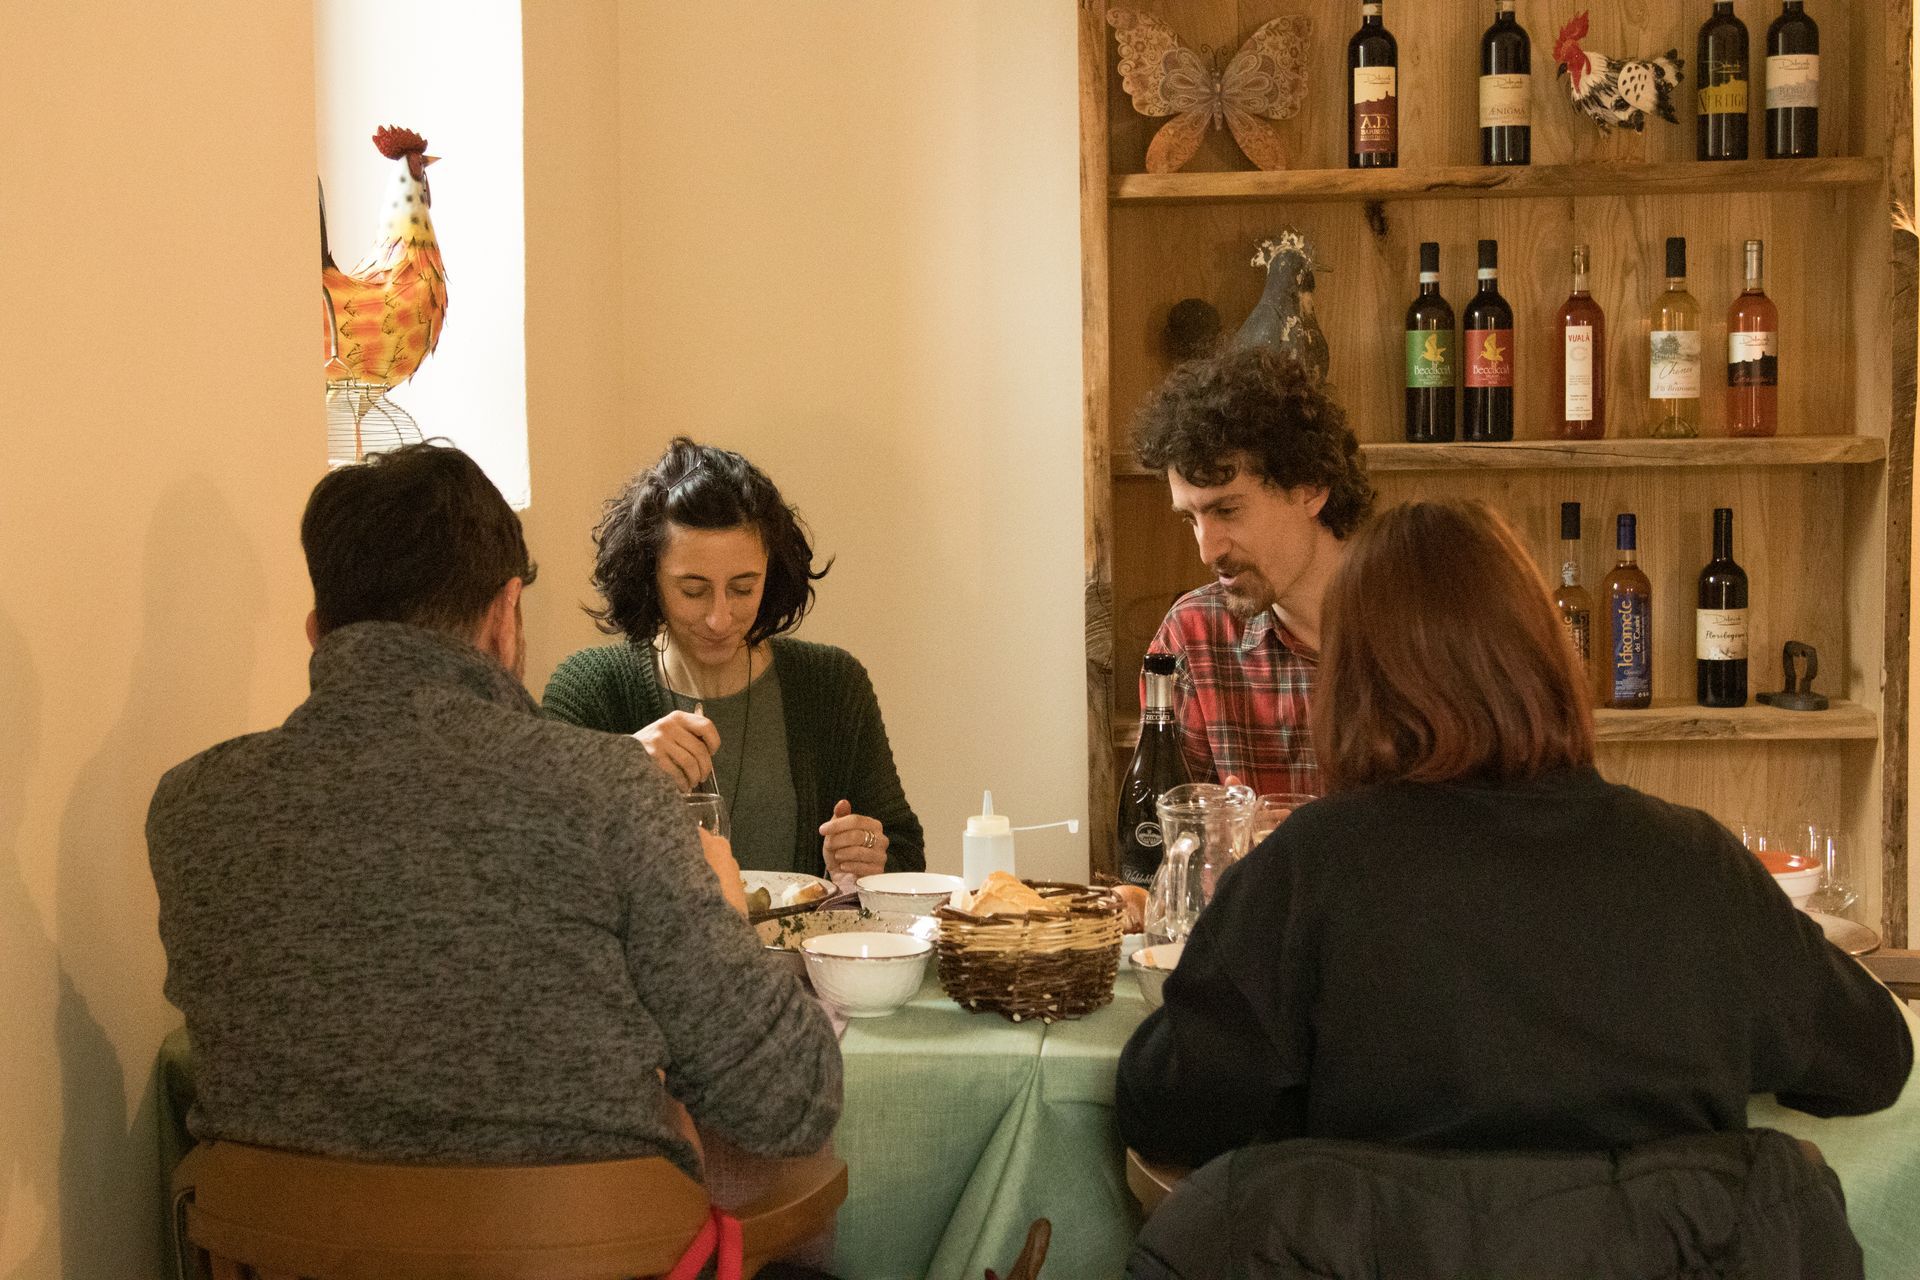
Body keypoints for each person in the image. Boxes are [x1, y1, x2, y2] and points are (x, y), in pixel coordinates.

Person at [1117, 499, 1911, 1173]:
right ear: (1546, 659)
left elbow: (1165, 1111)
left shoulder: (1312, 869)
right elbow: (1873, 1063)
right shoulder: (1694, 861)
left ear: (1353, 682)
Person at [148, 443, 840, 1176]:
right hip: (581, 1257)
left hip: (281, 1256)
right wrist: (727, 913)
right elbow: (788, 1102)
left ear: (317, 633)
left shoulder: (189, 809)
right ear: (505, 618)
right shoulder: (609, 792)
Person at [543, 438, 923, 883]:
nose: (719, 618)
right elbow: (540, 867)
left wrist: (870, 856)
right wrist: (620, 772)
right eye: (693, 590)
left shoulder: (834, 685)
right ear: (648, 577)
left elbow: (905, 855)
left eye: (743, 588)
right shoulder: (590, 690)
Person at [1132, 346, 1375, 797]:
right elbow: (1171, 842)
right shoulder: (1193, 637)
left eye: (1227, 510)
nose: (1207, 550)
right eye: (1191, 519)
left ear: (1310, 488)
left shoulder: (1430, 629)